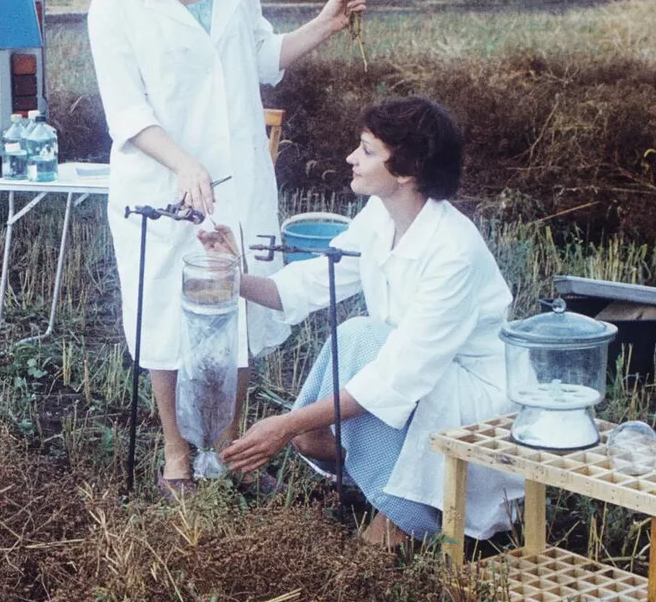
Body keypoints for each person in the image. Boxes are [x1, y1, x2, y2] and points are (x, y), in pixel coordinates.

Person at [88, 0, 365, 495]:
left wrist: (327, 23)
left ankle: (231, 453)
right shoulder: (115, 2)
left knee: (237, 310)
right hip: (164, 182)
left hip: (239, 182)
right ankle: (177, 457)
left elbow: (262, 56)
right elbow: (126, 110)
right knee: (167, 316)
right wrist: (184, 163)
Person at [208, 97, 522, 546]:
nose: (352, 158)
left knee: (370, 345)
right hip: (416, 384)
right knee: (356, 343)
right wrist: (232, 277)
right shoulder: (381, 216)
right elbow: (309, 284)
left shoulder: (453, 251)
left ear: (407, 171)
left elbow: (400, 376)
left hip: (470, 401)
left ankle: (407, 512)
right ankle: (377, 486)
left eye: (368, 150)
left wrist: (286, 423)